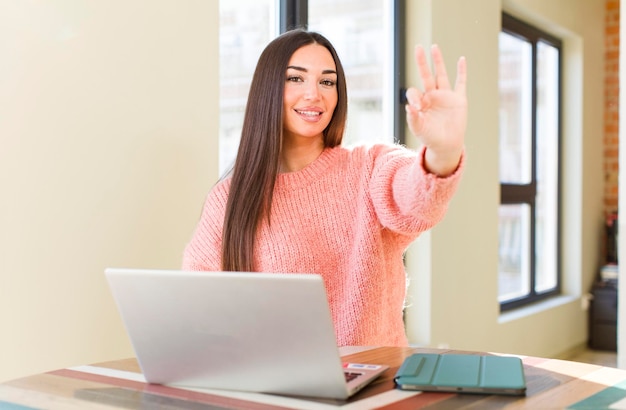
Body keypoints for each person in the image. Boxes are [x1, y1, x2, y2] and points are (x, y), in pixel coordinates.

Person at [182, 29, 467, 347]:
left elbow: (417, 198)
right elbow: (199, 307)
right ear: (267, 90)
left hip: (372, 384)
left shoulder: (368, 167)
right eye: (296, 78)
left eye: (327, 81)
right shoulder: (228, 198)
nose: (314, 94)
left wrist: (444, 151)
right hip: (274, 387)